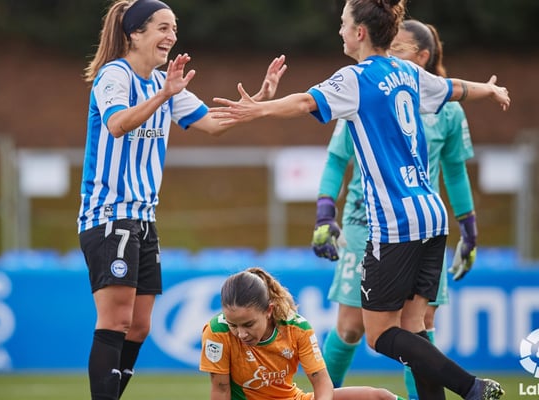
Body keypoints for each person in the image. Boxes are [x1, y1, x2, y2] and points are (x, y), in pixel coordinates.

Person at [208, 0, 509, 398]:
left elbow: (304, 102)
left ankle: (471, 386)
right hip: (432, 215)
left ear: (360, 32)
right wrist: (490, 89)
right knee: (414, 328)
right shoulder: (407, 72)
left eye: (343, 23)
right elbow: (455, 89)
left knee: (379, 334)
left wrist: (257, 110)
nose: (340, 31)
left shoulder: (355, 78)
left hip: (394, 221)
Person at [76, 1, 287, 399]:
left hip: (143, 218)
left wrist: (259, 102)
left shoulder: (164, 83)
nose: (171, 36)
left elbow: (213, 124)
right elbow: (117, 124)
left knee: (139, 326)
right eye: (162, 27)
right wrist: (164, 95)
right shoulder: (115, 75)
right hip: (109, 214)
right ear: (134, 34)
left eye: (174, 28)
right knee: (116, 320)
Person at [312, 20, 478, 400]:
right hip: (367, 220)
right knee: (351, 325)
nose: (390, 54)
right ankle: (322, 396)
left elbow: (454, 171)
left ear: (422, 57)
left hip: (419, 222)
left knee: (419, 322)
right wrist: (325, 212)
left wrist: (469, 229)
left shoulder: (447, 110)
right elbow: (337, 158)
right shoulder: (365, 88)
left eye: (399, 49)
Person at [199, 267, 405, 400]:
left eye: (248, 324)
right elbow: (221, 390)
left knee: (380, 397)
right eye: (234, 325)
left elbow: (321, 382)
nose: (241, 334)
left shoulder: (297, 328)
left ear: (268, 311)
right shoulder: (217, 332)